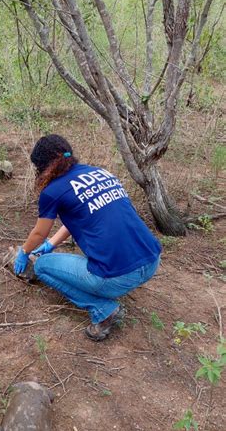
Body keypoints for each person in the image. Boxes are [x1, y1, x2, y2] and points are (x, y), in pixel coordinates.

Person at [14, 134, 161, 341]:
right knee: (51, 255)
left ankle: (103, 310)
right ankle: (109, 290)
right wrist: (51, 244)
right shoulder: (99, 173)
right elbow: (81, 216)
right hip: (152, 260)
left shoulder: (52, 191)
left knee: (42, 266)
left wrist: (24, 252)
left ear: (43, 165)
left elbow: (39, 232)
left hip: (118, 277)